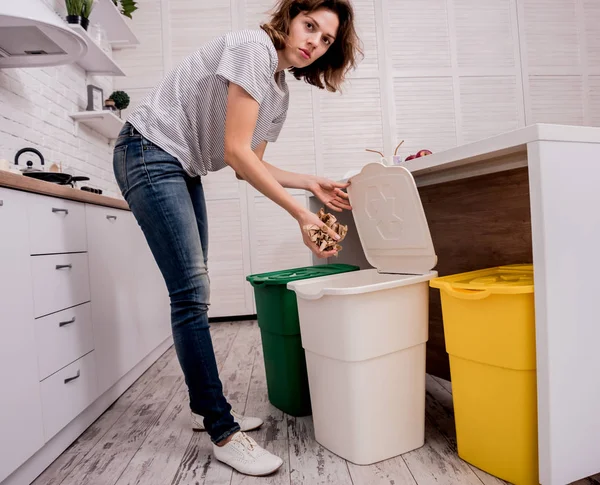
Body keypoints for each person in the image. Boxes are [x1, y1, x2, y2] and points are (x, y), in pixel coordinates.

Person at [112, 0, 361, 476]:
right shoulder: (254, 47)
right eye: (310, 26)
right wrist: (300, 217)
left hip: (177, 164)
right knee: (191, 294)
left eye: (326, 39)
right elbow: (234, 151)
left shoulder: (279, 91)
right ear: (290, 18)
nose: (313, 42)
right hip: (148, 151)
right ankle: (223, 430)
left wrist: (309, 182)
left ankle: (203, 409)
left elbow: (247, 165)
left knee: (192, 296)